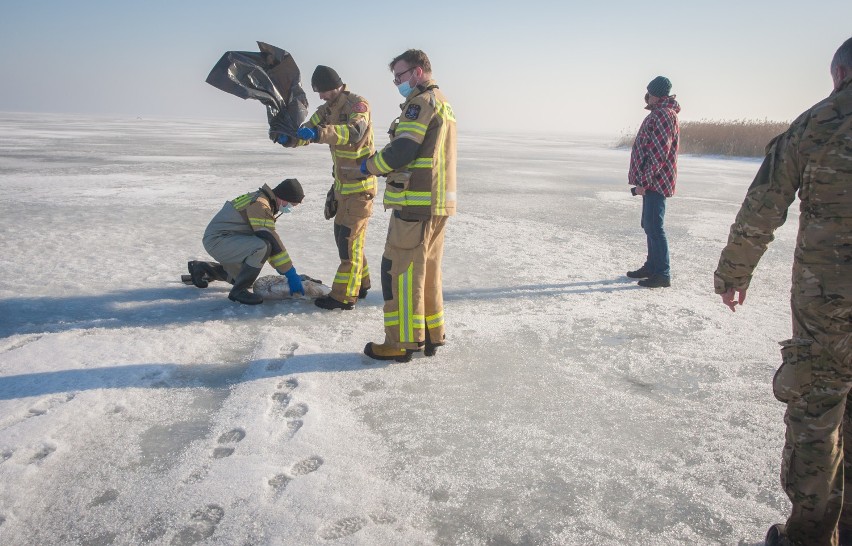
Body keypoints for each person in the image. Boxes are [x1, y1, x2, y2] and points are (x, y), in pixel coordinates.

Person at [714, 37, 852, 546]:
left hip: (828, 309)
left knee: (818, 414)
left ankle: (810, 536)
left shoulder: (819, 122)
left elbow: (764, 206)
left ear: (839, 74)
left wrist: (733, 275)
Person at [360, 49, 457, 362]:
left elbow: (403, 151)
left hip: (415, 203)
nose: (397, 83)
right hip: (437, 204)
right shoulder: (443, 102)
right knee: (426, 272)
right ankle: (431, 334)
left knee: (398, 273)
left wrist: (370, 166)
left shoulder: (420, 103)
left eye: (400, 76)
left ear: (417, 72)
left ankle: (400, 343)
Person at [276, 65, 376, 311]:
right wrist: (289, 139)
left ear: (336, 86)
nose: (320, 97)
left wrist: (319, 133)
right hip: (342, 188)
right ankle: (361, 285)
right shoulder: (327, 110)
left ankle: (344, 296)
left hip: (360, 187)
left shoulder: (357, 105)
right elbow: (307, 131)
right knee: (347, 239)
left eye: (322, 91)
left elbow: (354, 132)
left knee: (348, 243)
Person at [188, 179, 306, 305]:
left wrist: (288, 272)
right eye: (291, 204)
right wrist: (290, 273)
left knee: (239, 277)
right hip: (218, 240)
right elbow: (270, 240)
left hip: (227, 238)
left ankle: (203, 269)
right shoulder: (260, 205)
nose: (290, 208)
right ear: (283, 197)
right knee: (262, 247)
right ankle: (238, 291)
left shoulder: (263, 200)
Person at [626, 76, 681, 288]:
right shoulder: (660, 113)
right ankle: (652, 266)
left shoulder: (664, 115)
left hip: (656, 181)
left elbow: (659, 152)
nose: (646, 96)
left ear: (656, 94)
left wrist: (645, 182)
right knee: (648, 224)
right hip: (653, 181)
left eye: (649, 92)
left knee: (654, 226)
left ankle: (662, 273)